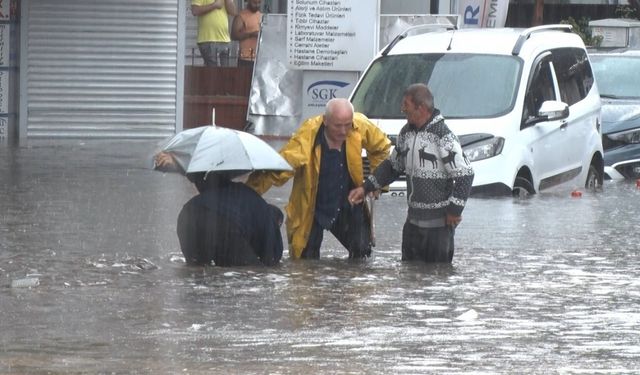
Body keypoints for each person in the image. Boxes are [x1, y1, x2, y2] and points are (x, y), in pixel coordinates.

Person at [246, 98, 391, 260]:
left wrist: (376, 182)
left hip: (348, 204)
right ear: (325, 121)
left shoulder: (360, 125)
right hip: (313, 208)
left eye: (347, 125)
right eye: (338, 126)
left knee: (362, 257)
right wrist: (247, 194)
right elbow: (280, 168)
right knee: (305, 263)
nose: (343, 131)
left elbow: (382, 147)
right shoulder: (308, 135)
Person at [348, 83, 474, 263]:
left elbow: (465, 175)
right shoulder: (405, 134)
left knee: (438, 282)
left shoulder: (443, 136)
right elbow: (393, 166)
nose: (402, 109)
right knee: (409, 280)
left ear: (421, 108)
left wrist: (454, 211)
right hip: (412, 226)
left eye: (405, 106)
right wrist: (366, 187)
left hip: (439, 229)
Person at [175, 171, 284, 266]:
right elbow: (273, 257)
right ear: (277, 222)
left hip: (187, 215)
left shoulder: (243, 197)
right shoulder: (268, 218)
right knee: (248, 274)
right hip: (224, 224)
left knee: (197, 271)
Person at [191, 0, 237, 67]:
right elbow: (195, 10)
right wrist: (214, 5)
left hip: (224, 39)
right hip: (208, 39)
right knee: (212, 72)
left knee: (226, 72)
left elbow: (233, 12)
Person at [231, 0, 262, 68]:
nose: (257, 5)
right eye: (254, 3)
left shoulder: (260, 15)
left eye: (259, 3)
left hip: (259, 58)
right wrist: (251, 34)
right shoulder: (241, 16)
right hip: (245, 58)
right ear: (249, 1)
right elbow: (234, 35)